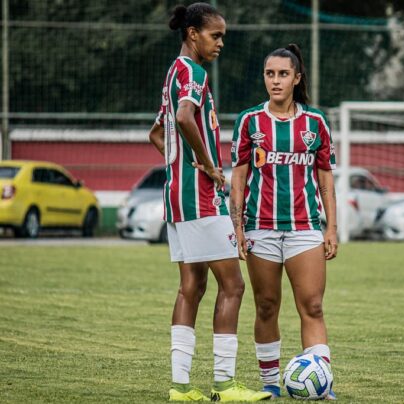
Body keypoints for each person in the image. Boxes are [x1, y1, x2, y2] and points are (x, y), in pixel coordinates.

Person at [148, 3, 271, 402]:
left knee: (190, 288)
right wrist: (204, 163)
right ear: (192, 34)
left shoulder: (173, 72)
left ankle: (180, 387)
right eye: (215, 35)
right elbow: (184, 118)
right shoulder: (194, 73)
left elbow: (156, 133)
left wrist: (179, 166)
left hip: (177, 198)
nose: (220, 43)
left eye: (222, 37)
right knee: (233, 286)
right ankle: (224, 384)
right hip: (201, 199)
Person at [229, 43, 338, 400]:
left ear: (296, 78)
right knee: (266, 305)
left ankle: (322, 383)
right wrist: (238, 228)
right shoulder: (249, 121)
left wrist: (331, 228)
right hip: (260, 226)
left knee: (313, 305)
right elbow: (240, 179)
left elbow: (325, 181)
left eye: (283, 74)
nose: (275, 81)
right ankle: (271, 384)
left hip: (305, 227)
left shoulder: (315, 122)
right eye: (270, 74)